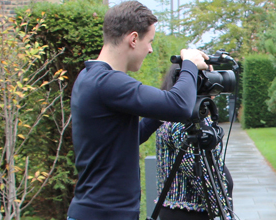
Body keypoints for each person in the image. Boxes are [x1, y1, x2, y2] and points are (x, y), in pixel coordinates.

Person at [67, 1, 210, 219]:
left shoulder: (89, 76)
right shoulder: (108, 82)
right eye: (149, 41)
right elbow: (180, 106)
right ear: (133, 39)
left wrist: (162, 111)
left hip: (98, 211)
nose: (151, 49)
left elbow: (132, 137)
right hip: (105, 214)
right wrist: (189, 64)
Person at [154, 64, 234, 220]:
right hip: (190, 215)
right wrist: (225, 214)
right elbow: (202, 177)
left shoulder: (180, 119)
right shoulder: (182, 125)